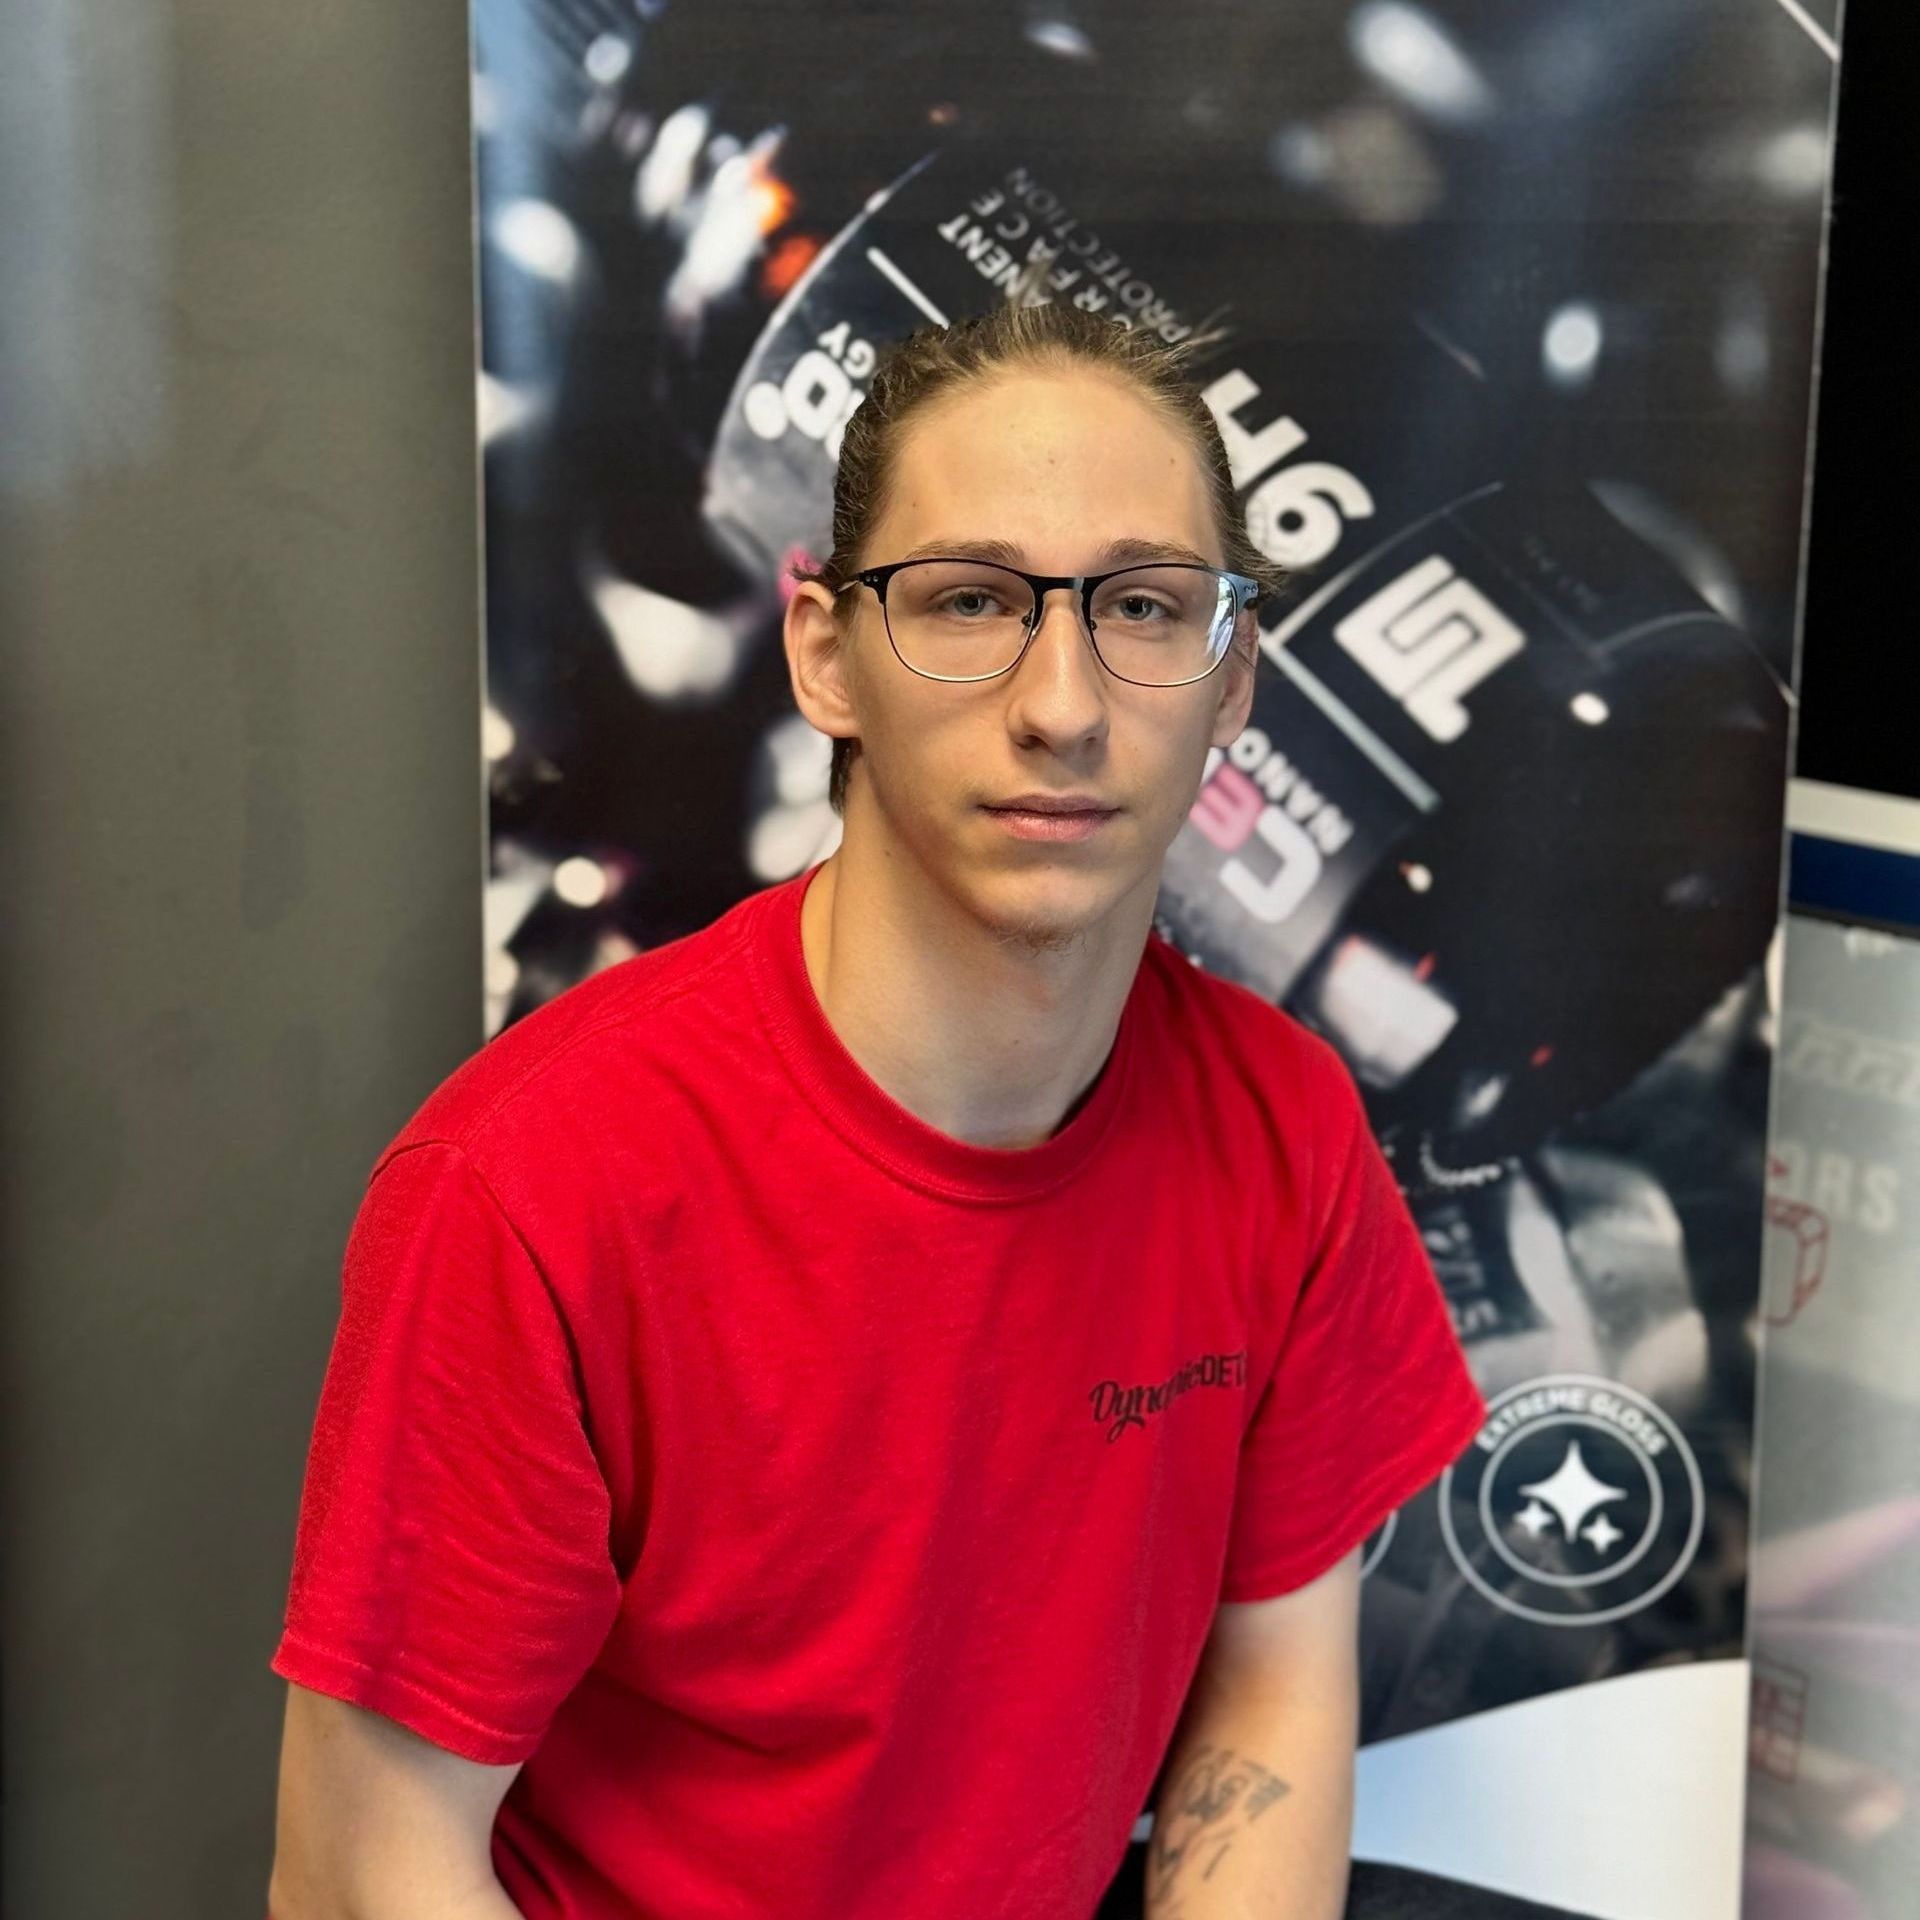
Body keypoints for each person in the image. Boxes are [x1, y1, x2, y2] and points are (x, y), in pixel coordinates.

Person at [264, 299, 1486, 1920]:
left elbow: (1274, 1694)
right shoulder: (532, 1189)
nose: (1062, 702)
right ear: (827, 655)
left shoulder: (1283, 1127)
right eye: (970, 601)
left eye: (1141, 606)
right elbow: (363, 1874)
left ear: (1232, 677)